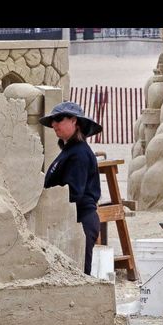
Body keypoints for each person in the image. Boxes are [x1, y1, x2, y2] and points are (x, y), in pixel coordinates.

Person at [40, 101, 103, 275]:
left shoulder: (79, 153)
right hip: (70, 221)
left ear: (74, 121)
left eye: (59, 119)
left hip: (79, 222)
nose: (54, 124)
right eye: (53, 120)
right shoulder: (70, 151)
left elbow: (73, 193)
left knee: (79, 275)